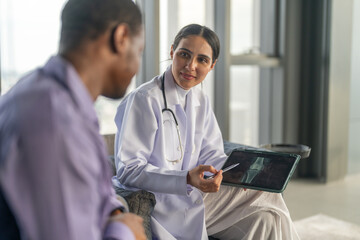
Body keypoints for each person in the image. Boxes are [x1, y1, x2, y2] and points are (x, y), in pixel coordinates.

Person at [113, 24, 300, 239]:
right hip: (162, 201)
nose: (190, 66)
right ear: (172, 52)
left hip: (195, 195)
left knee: (265, 220)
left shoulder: (200, 100)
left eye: (202, 59)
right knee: (268, 196)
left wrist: (236, 175)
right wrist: (185, 178)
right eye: (184, 54)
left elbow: (212, 154)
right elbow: (129, 170)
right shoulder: (144, 99)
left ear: (212, 65)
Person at [0, 0, 146, 239]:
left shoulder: (45, 96)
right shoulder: (55, 123)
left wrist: (114, 212)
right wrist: (125, 231)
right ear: (121, 37)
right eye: (139, 51)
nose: (138, 66)